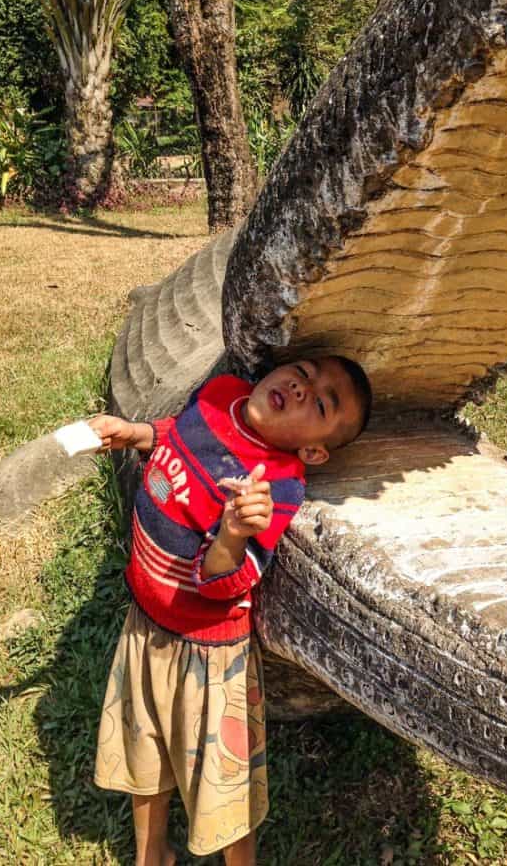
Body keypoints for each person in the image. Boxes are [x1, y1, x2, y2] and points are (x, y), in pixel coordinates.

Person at [89, 356, 372, 866]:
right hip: (146, 624)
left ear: (313, 450)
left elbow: (221, 582)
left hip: (209, 657)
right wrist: (134, 434)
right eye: (303, 372)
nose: (303, 389)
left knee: (222, 786)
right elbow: (181, 435)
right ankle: (151, 855)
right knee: (145, 754)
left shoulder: (275, 489)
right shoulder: (221, 393)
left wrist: (233, 533)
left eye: (322, 402)